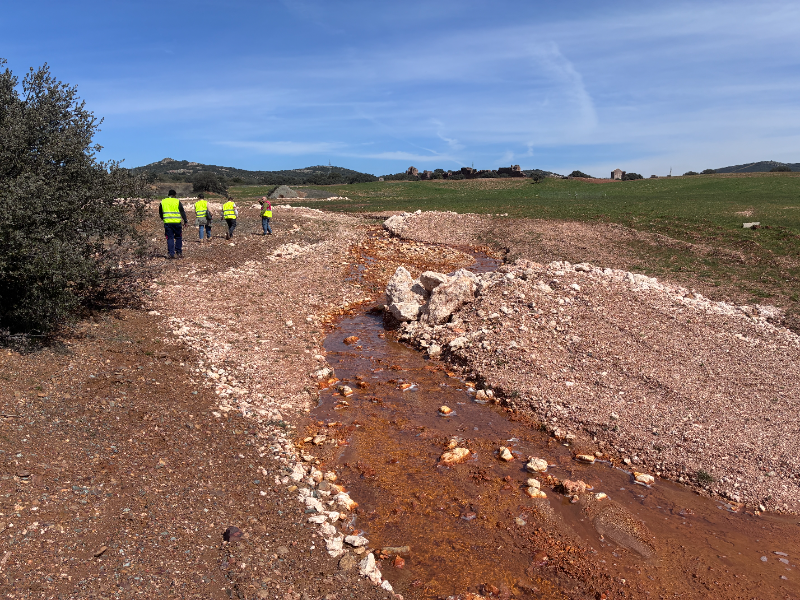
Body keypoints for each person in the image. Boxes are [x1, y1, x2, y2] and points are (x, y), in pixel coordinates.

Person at [159, 189, 188, 259]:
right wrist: (185, 221)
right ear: (175, 195)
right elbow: (182, 211)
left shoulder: (163, 201)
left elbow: (160, 212)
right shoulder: (177, 201)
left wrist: (163, 219)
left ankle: (171, 253)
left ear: (168, 195)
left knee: (170, 238)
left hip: (168, 222)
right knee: (178, 237)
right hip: (177, 222)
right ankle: (179, 252)